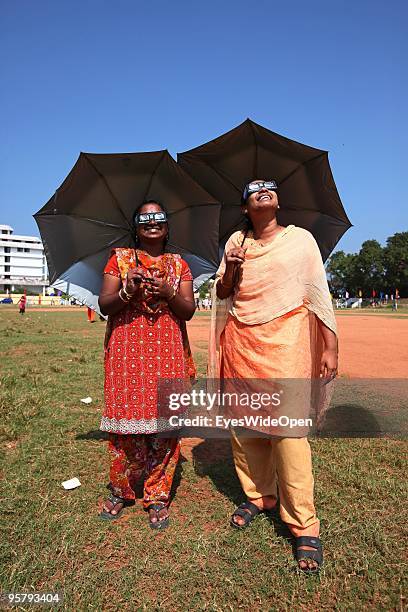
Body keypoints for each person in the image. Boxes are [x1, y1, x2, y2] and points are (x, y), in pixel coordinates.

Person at [209, 179, 338, 572]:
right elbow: (222, 293)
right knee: (245, 427)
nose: (263, 191)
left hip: (287, 341)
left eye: (270, 187)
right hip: (241, 341)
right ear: (246, 206)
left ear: (278, 200)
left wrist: (330, 346)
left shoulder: (301, 241)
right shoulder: (236, 241)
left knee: (289, 433)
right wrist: (230, 269)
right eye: (254, 189)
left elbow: (317, 291)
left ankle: (303, 523)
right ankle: (260, 494)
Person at [98, 200, 196, 528]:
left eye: (159, 218)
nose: (152, 223)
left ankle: (157, 494)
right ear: (136, 226)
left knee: (164, 426)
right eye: (145, 218)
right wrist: (127, 290)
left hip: (166, 347)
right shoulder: (119, 259)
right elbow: (105, 304)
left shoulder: (180, 265)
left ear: (167, 227)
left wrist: (169, 291)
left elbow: (188, 311)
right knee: (125, 420)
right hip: (128, 349)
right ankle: (121, 489)